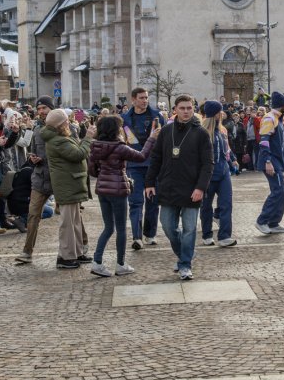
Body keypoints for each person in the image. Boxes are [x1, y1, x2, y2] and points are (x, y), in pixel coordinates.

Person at [146, 95, 213, 281]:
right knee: (168, 226)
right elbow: (156, 158)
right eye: (182, 108)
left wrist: (201, 187)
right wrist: (149, 182)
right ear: (175, 109)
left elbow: (208, 164)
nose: (185, 111)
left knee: (190, 229)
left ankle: (185, 264)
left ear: (193, 110)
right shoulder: (166, 131)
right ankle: (187, 253)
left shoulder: (201, 133)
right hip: (168, 187)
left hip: (192, 189)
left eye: (189, 108)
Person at [87, 114, 160, 277]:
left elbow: (92, 170)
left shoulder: (95, 146)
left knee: (108, 227)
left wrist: (103, 173)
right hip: (118, 189)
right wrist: (151, 139)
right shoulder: (119, 147)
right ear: (115, 130)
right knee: (120, 228)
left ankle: (97, 262)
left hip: (102, 189)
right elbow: (141, 156)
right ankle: (120, 264)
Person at [41, 108, 93, 269]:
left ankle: (76, 252)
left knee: (75, 221)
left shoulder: (59, 137)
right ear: (59, 124)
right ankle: (66, 256)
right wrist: (88, 138)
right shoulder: (58, 140)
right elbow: (78, 154)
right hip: (67, 185)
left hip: (71, 183)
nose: (69, 123)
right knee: (68, 223)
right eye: (66, 121)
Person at [120, 88, 166, 251]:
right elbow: (124, 141)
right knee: (135, 202)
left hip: (153, 165)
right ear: (133, 100)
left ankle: (150, 234)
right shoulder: (125, 118)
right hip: (134, 165)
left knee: (153, 201)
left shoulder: (157, 116)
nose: (145, 100)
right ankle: (137, 237)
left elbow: (164, 138)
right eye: (141, 98)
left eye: (146, 97)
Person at [14, 96, 54, 264]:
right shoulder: (37, 129)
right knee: (33, 215)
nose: (41, 112)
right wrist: (33, 158)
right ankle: (27, 252)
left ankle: (83, 244)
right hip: (39, 177)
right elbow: (32, 152)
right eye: (39, 109)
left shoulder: (64, 127)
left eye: (44, 108)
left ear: (52, 109)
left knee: (71, 216)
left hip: (58, 178)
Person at [255, 92, 284, 235]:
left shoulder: (281, 119)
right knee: (278, 191)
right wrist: (268, 161)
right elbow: (264, 141)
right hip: (271, 162)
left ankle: (273, 223)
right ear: (283, 105)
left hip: (277, 162)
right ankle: (262, 221)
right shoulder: (269, 118)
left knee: (282, 191)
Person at [199, 101, 238, 248]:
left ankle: (224, 236)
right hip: (208, 174)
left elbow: (226, 148)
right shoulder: (201, 131)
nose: (221, 114)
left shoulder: (221, 130)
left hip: (223, 173)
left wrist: (233, 160)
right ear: (214, 113)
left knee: (226, 204)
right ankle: (207, 234)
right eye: (219, 111)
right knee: (206, 206)